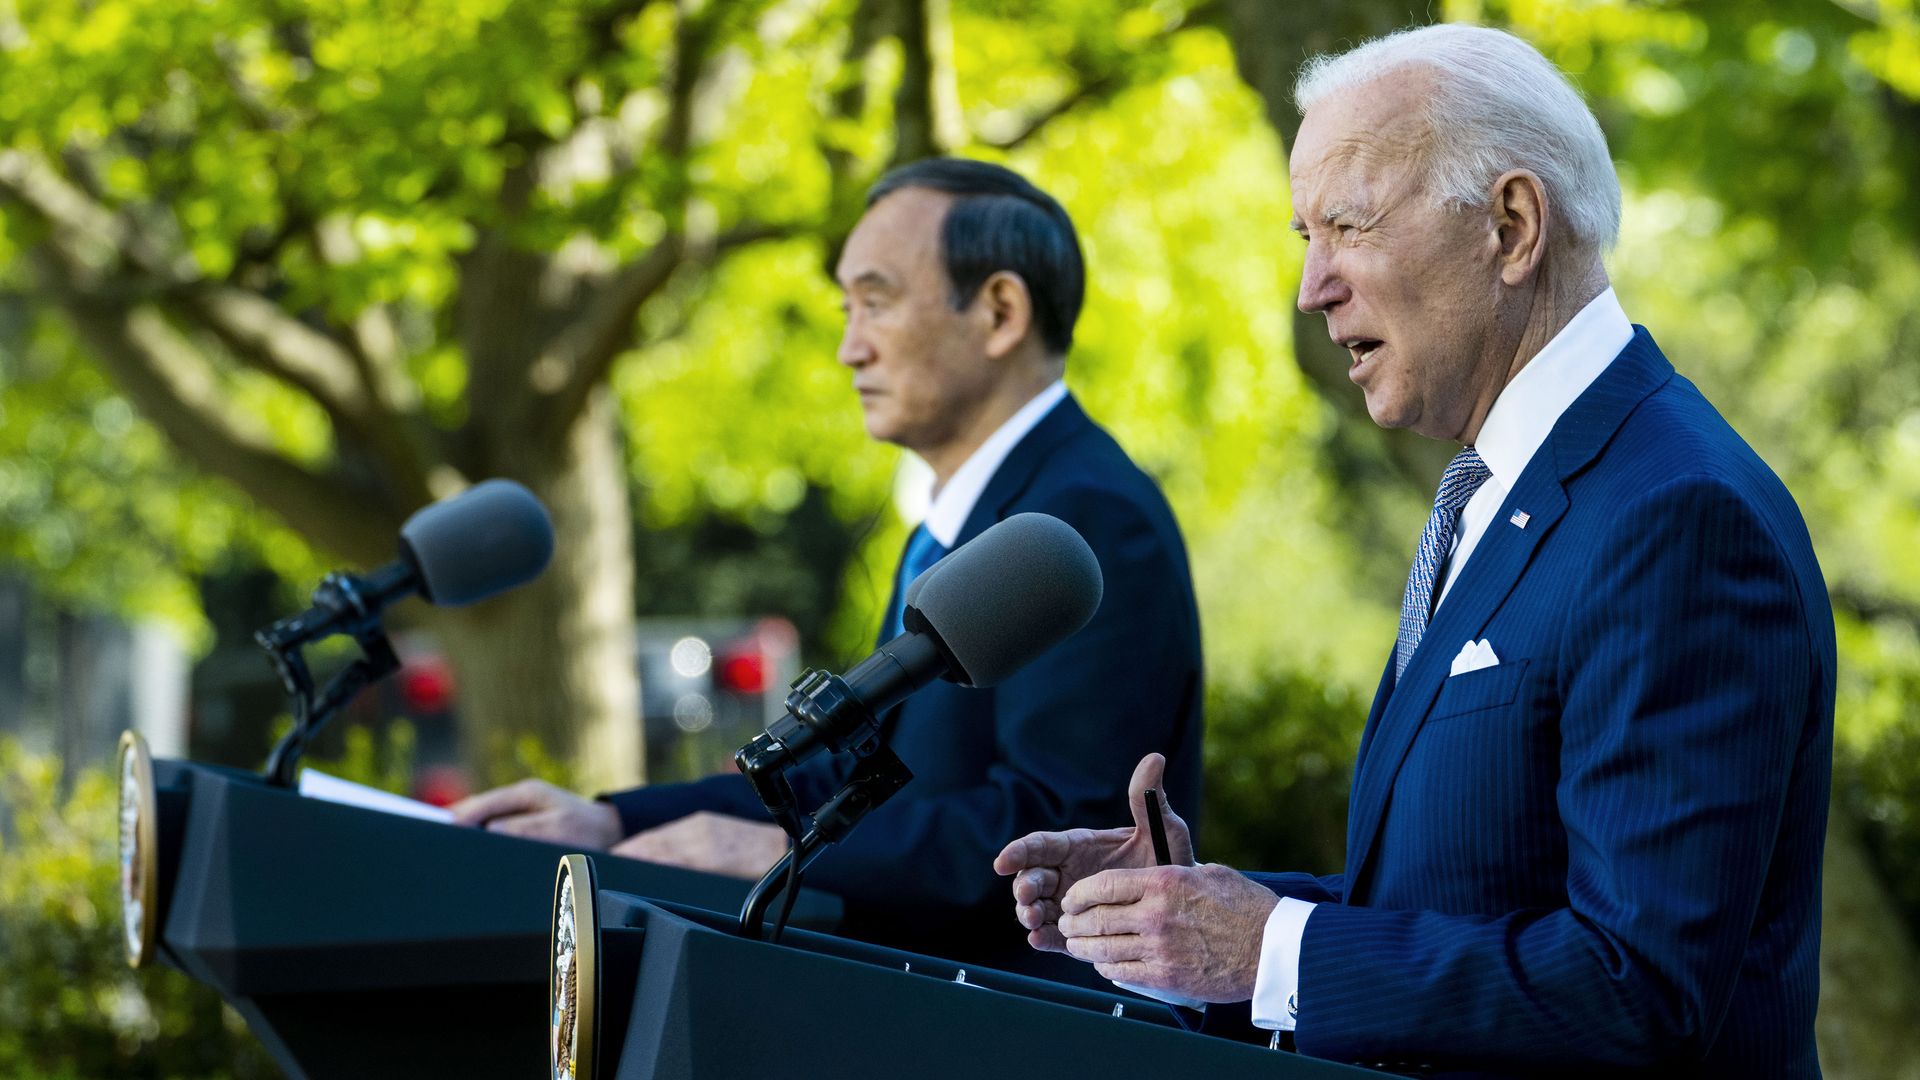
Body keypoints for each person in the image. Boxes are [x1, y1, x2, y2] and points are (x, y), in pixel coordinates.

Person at [996, 25, 1834, 1076]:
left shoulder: (1676, 516)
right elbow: (1467, 905)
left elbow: (1641, 987)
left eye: (1347, 225)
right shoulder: (1500, 490)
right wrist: (1197, 921)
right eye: (1305, 235)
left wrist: (1269, 949)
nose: (1312, 286)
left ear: (1513, 225)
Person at [454, 158, 1205, 976]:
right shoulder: (957, 526)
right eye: (847, 309)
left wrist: (782, 851)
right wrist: (611, 824)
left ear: (998, 311)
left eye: (876, 303)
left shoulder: (1078, 524)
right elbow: (850, 784)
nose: (849, 348)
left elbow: (1061, 830)